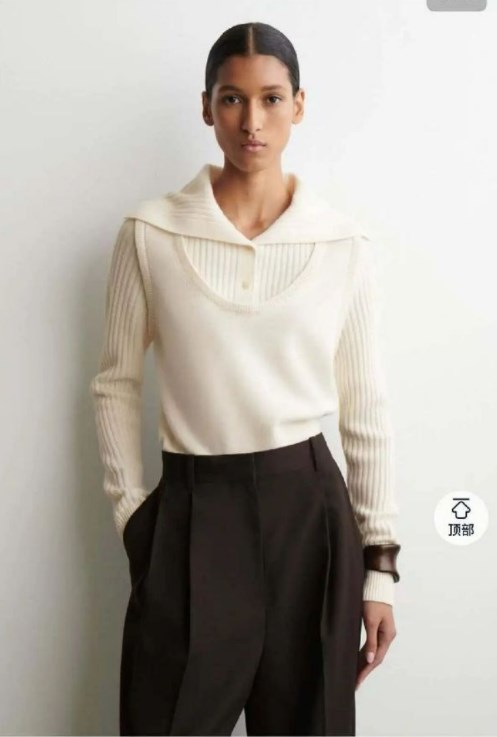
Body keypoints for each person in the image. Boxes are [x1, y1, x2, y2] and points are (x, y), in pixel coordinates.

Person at [89, 21, 401, 737]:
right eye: (232, 98)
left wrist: (379, 566)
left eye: (270, 98)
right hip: (192, 510)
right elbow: (114, 382)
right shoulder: (150, 231)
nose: (251, 121)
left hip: (309, 517)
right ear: (207, 108)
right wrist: (133, 514)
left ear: (298, 105)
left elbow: (365, 407)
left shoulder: (341, 244)